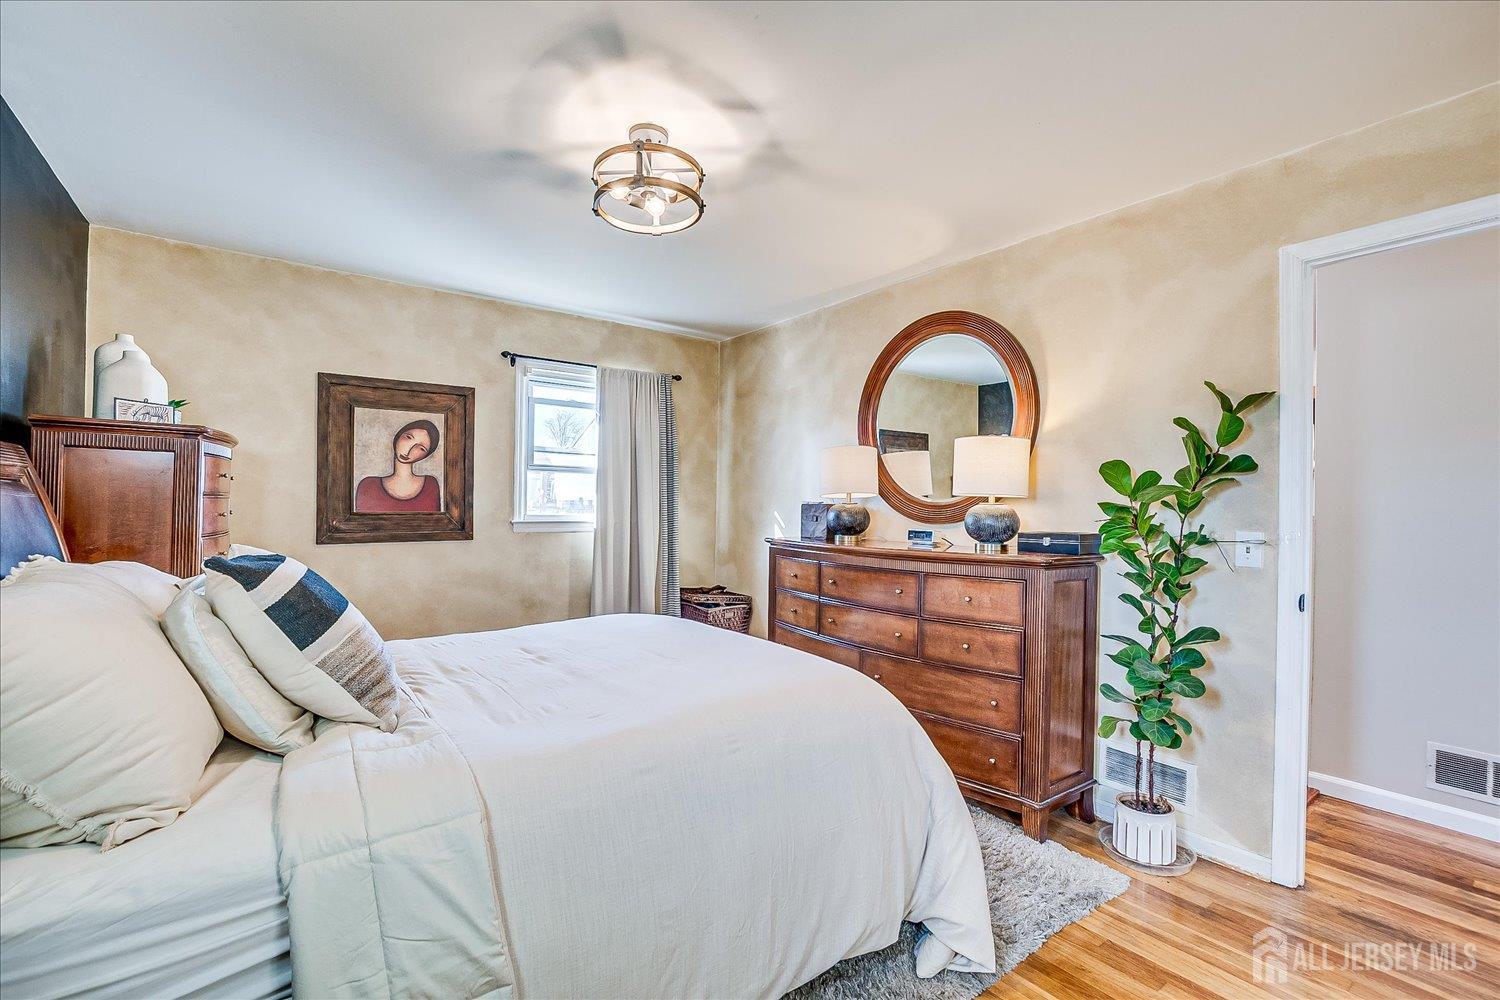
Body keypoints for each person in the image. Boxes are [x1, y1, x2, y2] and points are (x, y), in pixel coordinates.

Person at [354, 418, 441, 512]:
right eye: (408, 437)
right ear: (398, 436)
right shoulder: (368, 485)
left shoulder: (430, 485)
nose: (409, 450)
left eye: (421, 448)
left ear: (425, 456)